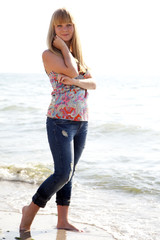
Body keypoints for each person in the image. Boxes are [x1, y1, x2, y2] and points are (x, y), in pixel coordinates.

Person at [19, 8, 96, 233]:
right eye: (59, 26)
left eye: (68, 25)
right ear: (53, 29)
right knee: (62, 172)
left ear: (74, 27)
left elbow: (93, 84)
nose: (65, 29)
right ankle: (30, 210)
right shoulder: (49, 54)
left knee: (69, 173)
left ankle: (62, 221)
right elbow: (72, 72)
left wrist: (77, 83)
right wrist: (63, 48)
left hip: (82, 121)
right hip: (59, 121)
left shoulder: (78, 57)